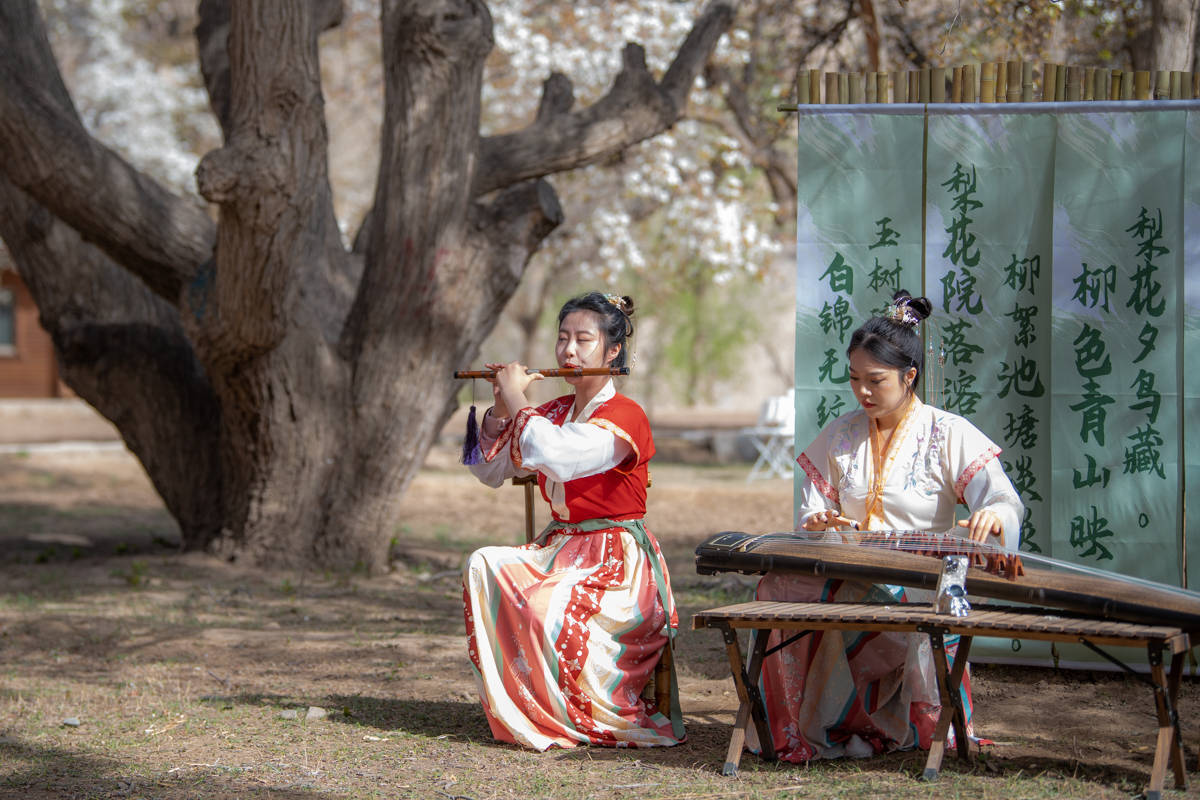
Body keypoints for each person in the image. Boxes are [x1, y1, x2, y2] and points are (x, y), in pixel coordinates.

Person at [753, 289, 1023, 763]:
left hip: (918, 577)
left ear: (909, 376)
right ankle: (797, 724)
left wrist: (995, 514)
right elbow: (812, 512)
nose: (863, 392)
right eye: (855, 379)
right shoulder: (841, 434)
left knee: (865, 599)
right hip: (851, 566)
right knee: (776, 586)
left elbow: (1003, 498)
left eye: (875, 380)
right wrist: (820, 521)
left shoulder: (947, 432)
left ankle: (870, 719)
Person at [460, 291, 682, 751]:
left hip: (615, 563)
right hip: (560, 551)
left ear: (613, 351)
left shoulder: (627, 416)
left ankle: (572, 715)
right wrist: (501, 408)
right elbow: (490, 472)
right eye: (563, 338)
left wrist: (518, 398)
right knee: (484, 563)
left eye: (584, 340)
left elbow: (558, 458)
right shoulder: (553, 412)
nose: (569, 351)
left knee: (548, 605)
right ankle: (528, 707)